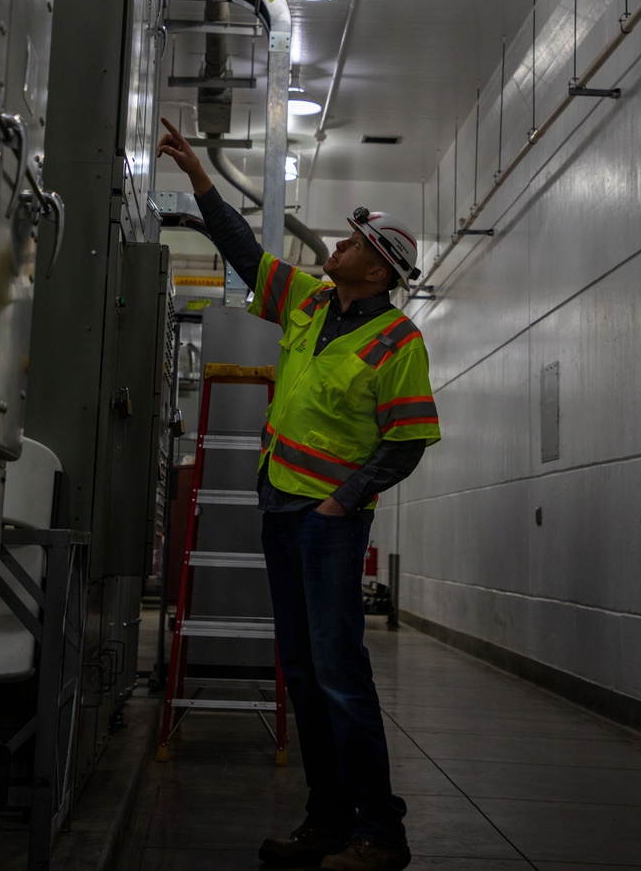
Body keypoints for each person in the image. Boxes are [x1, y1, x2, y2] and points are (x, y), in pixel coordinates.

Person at [157, 117, 440, 871]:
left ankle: (380, 833)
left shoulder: (399, 343)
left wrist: (341, 502)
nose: (336, 247)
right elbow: (246, 254)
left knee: (340, 673)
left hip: (327, 523)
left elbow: (407, 442)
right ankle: (327, 821)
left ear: (378, 271)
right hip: (280, 508)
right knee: (305, 673)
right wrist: (202, 181)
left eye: (353, 244)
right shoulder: (310, 303)